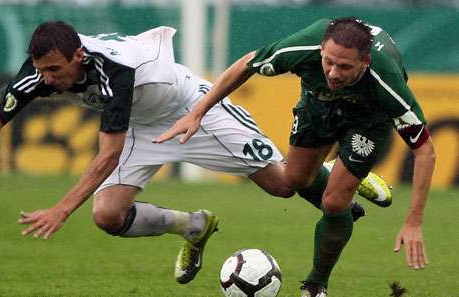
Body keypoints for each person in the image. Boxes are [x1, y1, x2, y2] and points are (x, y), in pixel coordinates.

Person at [0, 21, 389, 286]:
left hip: (190, 108)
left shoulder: (114, 73)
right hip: (140, 125)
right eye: (41, 71)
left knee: (282, 185)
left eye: (55, 71)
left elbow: (105, 156)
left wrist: (61, 209)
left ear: (79, 56)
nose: (48, 80)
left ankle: (335, 169)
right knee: (107, 216)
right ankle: (193, 226)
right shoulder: (41, 72)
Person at [154, 17, 435, 296]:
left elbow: (425, 151)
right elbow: (246, 64)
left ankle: (315, 285)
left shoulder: (388, 83)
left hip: (367, 121)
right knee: (293, 181)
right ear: (321, 50)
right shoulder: (303, 47)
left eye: (345, 66)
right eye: (329, 61)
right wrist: (198, 112)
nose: (334, 72)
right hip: (318, 104)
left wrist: (413, 222)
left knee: (334, 203)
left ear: (366, 62)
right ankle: (338, 175)